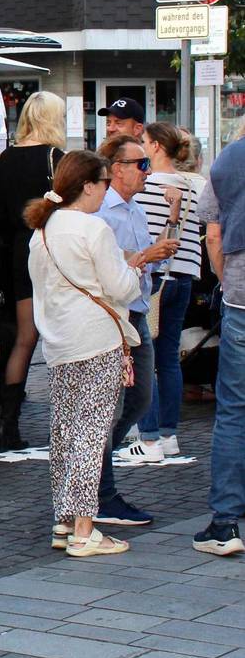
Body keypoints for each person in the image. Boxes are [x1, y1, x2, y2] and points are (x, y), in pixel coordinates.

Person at [25, 151, 141, 557]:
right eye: (105, 182)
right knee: (91, 433)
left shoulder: (42, 230)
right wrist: (136, 272)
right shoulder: (94, 228)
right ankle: (84, 530)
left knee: (64, 432)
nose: (107, 189)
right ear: (88, 185)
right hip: (95, 338)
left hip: (58, 340)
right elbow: (121, 286)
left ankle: (64, 520)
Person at [93, 135, 180, 526]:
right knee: (112, 406)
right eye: (140, 164)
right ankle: (100, 491)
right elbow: (109, 269)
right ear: (116, 170)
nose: (148, 170)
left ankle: (97, 473)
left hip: (137, 312)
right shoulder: (101, 214)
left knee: (140, 399)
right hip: (115, 318)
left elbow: (141, 261)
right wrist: (144, 258)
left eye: (147, 163)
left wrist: (155, 254)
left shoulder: (135, 209)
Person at [0, 91, 66, 451]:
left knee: (24, 338)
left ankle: (8, 424)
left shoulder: (6, 158)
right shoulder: (56, 158)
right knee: (63, 338)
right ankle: (68, 419)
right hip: (52, 250)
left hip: (20, 253)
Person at [119, 122, 200, 462]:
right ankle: (169, 435)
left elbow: (144, 235)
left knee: (145, 357)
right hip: (185, 275)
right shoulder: (195, 185)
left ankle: (148, 437)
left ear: (154, 147)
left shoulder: (147, 185)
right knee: (169, 359)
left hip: (155, 277)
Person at [192, 119, 245, 556]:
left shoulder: (229, 159)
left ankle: (225, 522)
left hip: (243, 294)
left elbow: (211, 229)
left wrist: (225, 281)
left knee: (233, 408)